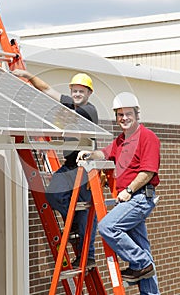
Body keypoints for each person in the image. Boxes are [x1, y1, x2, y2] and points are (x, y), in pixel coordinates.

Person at [12, 69, 98, 268]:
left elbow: (71, 116)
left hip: (85, 168)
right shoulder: (70, 104)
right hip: (69, 166)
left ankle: (88, 255)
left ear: (89, 93)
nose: (77, 94)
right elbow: (47, 89)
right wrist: (27, 74)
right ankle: (73, 223)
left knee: (86, 215)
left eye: (81, 91)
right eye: (74, 91)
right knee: (52, 195)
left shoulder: (89, 110)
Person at [77, 92, 160, 294]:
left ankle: (140, 262)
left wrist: (129, 190)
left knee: (107, 227)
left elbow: (148, 172)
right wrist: (90, 153)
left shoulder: (148, 137)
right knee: (143, 248)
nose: (124, 118)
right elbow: (104, 153)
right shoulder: (121, 141)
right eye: (120, 115)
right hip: (129, 199)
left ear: (137, 114)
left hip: (138, 197)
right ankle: (149, 286)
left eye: (128, 114)